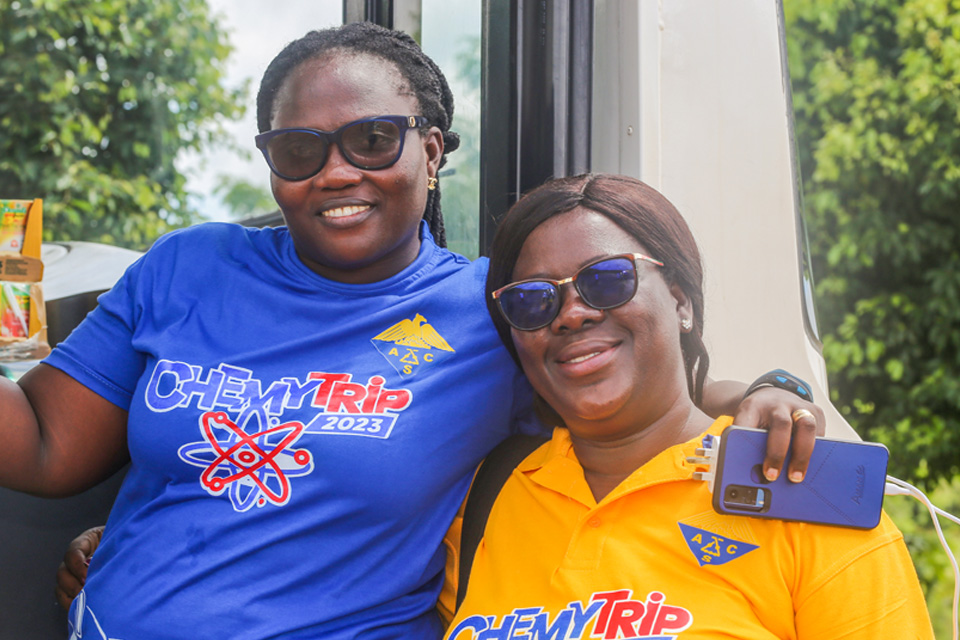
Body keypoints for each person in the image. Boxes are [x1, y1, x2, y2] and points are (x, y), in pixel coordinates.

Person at [9, 22, 817, 640]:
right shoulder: (188, 266)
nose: (335, 171)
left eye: (371, 139)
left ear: (430, 150)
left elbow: (639, 383)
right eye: (298, 149)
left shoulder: (499, 306)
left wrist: (767, 390)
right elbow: (47, 442)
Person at [442, 174, 934, 639]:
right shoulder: (490, 495)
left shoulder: (804, 495)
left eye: (609, 280)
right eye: (533, 301)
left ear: (681, 303)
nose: (572, 314)